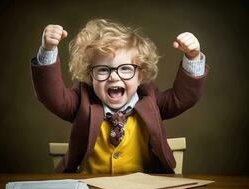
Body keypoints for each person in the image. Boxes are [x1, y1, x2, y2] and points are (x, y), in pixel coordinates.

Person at [31, 19, 208, 174]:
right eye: (102, 70)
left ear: (140, 76)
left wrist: (192, 58)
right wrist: (48, 50)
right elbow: (51, 96)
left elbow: (184, 97)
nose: (114, 77)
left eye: (125, 68)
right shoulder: (81, 101)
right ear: (90, 76)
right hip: (90, 188)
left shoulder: (150, 99)